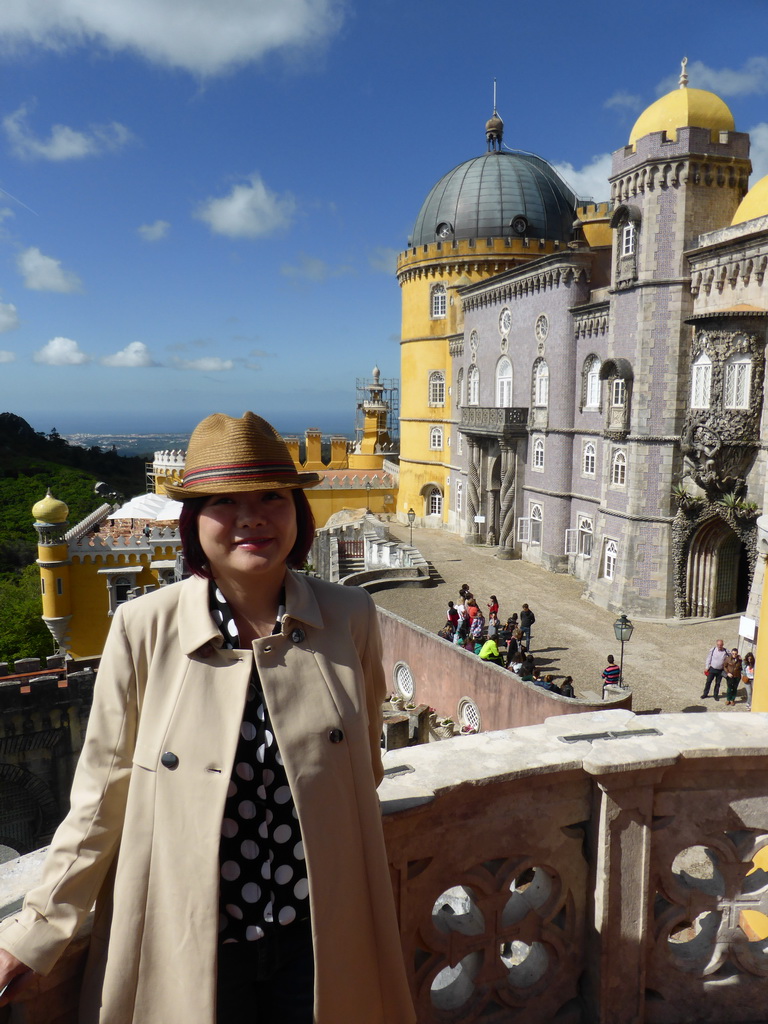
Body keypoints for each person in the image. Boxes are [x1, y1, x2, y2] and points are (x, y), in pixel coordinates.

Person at [0, 412, 416, 1024]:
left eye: (272, 497)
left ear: (298, 511)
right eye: (225, 500)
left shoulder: (351, 616)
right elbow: (101, 797)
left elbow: (364, 766)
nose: (252, 517)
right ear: (195, 522)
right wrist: (34, 931)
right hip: (194, 941)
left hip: (318, 935)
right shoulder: (143, 630)